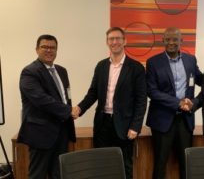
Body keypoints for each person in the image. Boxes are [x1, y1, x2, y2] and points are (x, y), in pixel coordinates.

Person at [72, 27, 147, 179]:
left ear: (124, 41)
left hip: (125, 125)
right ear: (107, 42)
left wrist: (135, 126)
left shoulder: (136, 67)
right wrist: (80, 108)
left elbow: (141, 100)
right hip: (102, 123)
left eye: (118, 38)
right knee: (101, 163)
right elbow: (92, 93)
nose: (115, 42)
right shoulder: (101, 66)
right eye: (111, 39)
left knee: (124, 164)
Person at [146, 27, 203, 179]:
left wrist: (196, 102)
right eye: (168, 39)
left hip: (185, 120)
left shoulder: (191, 60)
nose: (171, 43)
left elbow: (202, 80)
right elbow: (152, 91)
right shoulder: (153, 62)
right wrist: (177, 103)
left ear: (181, 41)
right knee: (160, 163)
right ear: (163, 40)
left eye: (175, 39)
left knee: (186, 163)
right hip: (162, 120)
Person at [17, 34, 76, 179]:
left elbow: (65, 96)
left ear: (57, 50)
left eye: (53, 48)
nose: (49, 50)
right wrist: (69, 111)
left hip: (62, 132)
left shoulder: (62, 71)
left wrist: (70, 110)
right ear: (37, 49)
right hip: (40, 134)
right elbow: (41, 99)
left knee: (59, 174)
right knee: (38, 175)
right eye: (45, 47)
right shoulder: (29, 72)